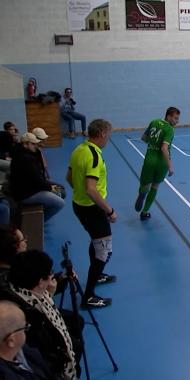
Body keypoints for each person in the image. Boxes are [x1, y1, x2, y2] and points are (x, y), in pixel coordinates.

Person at [5, 250, 80, 380]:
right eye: (49, 275)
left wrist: (59, 281)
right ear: (40, 282)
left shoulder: (19, 289)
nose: (52, 277)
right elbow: (51, 346)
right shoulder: (29, 317)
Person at [66, 119, 116, 308]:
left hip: (79, 205)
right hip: (92, 208)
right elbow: (91, 189)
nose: (108, 138)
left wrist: (78, 192)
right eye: (108, 134)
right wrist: (109, 210)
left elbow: (69, 177)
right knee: (104, 251)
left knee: (96, 242)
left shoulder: (79, 149)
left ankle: (98, 275)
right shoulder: (94, 155)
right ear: (102, 133)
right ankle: (88, 297)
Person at [134, 107, 180, 220]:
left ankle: (142, 193)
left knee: (145, 184)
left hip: (149, 160)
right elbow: (164, 148)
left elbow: (143, 138)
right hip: (162, 163)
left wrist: (153, 142)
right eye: (175, 118)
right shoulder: (169, 129)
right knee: (155, 186)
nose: (177, 121)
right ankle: (145, 212)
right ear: (168, 116)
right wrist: (170, 166)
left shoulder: (153, 122)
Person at [9, 133, 64, 221]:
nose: (36, 146)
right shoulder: (25, 159)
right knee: (60, 202)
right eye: (33, 144)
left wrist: (48, 186)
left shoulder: (26, 153)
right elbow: (36, 179)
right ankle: (40, 221)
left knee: (60, 191)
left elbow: (37, 177)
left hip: (29, 188)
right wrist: (50, 187)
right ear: (25, 144)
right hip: (25, 194)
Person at [0, 300, 54, 380]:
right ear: (11, 341)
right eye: (25, 327)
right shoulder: (7, 376)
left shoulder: (23, 349)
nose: (26, 330)